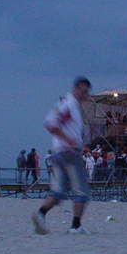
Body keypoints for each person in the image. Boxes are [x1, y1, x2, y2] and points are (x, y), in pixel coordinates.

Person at [31, 76, 92, 235]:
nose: (85, 94)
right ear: (76, 89)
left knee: (58, 191)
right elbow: (51, 123)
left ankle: (41, 214)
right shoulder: (70, 105)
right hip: (69, 153)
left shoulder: (70, 105)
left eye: (86, 92)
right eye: (83, 91)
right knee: (81, 191)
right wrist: (68, 140)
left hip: (58, 153)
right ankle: (75, 226)